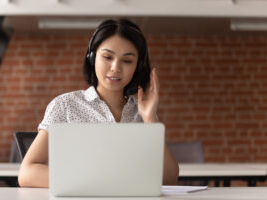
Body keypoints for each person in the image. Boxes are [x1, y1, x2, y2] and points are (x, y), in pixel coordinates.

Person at [18, 18, 179, 188]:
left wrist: (151, 118)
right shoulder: (65, 105)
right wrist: (96, 181)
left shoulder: (142, 114)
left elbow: (169, 179)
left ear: (137, 67)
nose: (115, 68)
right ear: (92, 58)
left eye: (127, 60)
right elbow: (27, 172)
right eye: (107, 57)